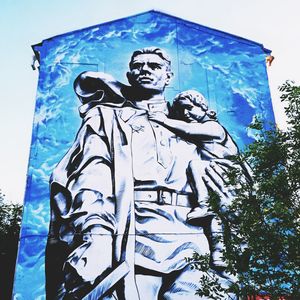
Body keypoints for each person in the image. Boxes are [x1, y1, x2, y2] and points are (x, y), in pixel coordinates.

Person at [46, 47, 238, 299]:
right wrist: (96, 233)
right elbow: (90, 178)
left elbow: (228, 168)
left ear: (168, 76)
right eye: (138, 66)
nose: (145, 69)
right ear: (129, 74)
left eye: (154, 66)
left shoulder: (192, 122)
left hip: (193, 234)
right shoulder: (107, 117)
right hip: (135, 233)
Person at [149, 89, 241, 268]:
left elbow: (190, 131)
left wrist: (164, 120)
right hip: (215, 175)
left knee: (196, 165)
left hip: (226, 172)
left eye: (189, 108)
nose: (185, 114)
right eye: (181, 111)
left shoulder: (214, 127)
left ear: (203, 107)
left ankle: (204, 203)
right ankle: (219, 254)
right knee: (216, 218)